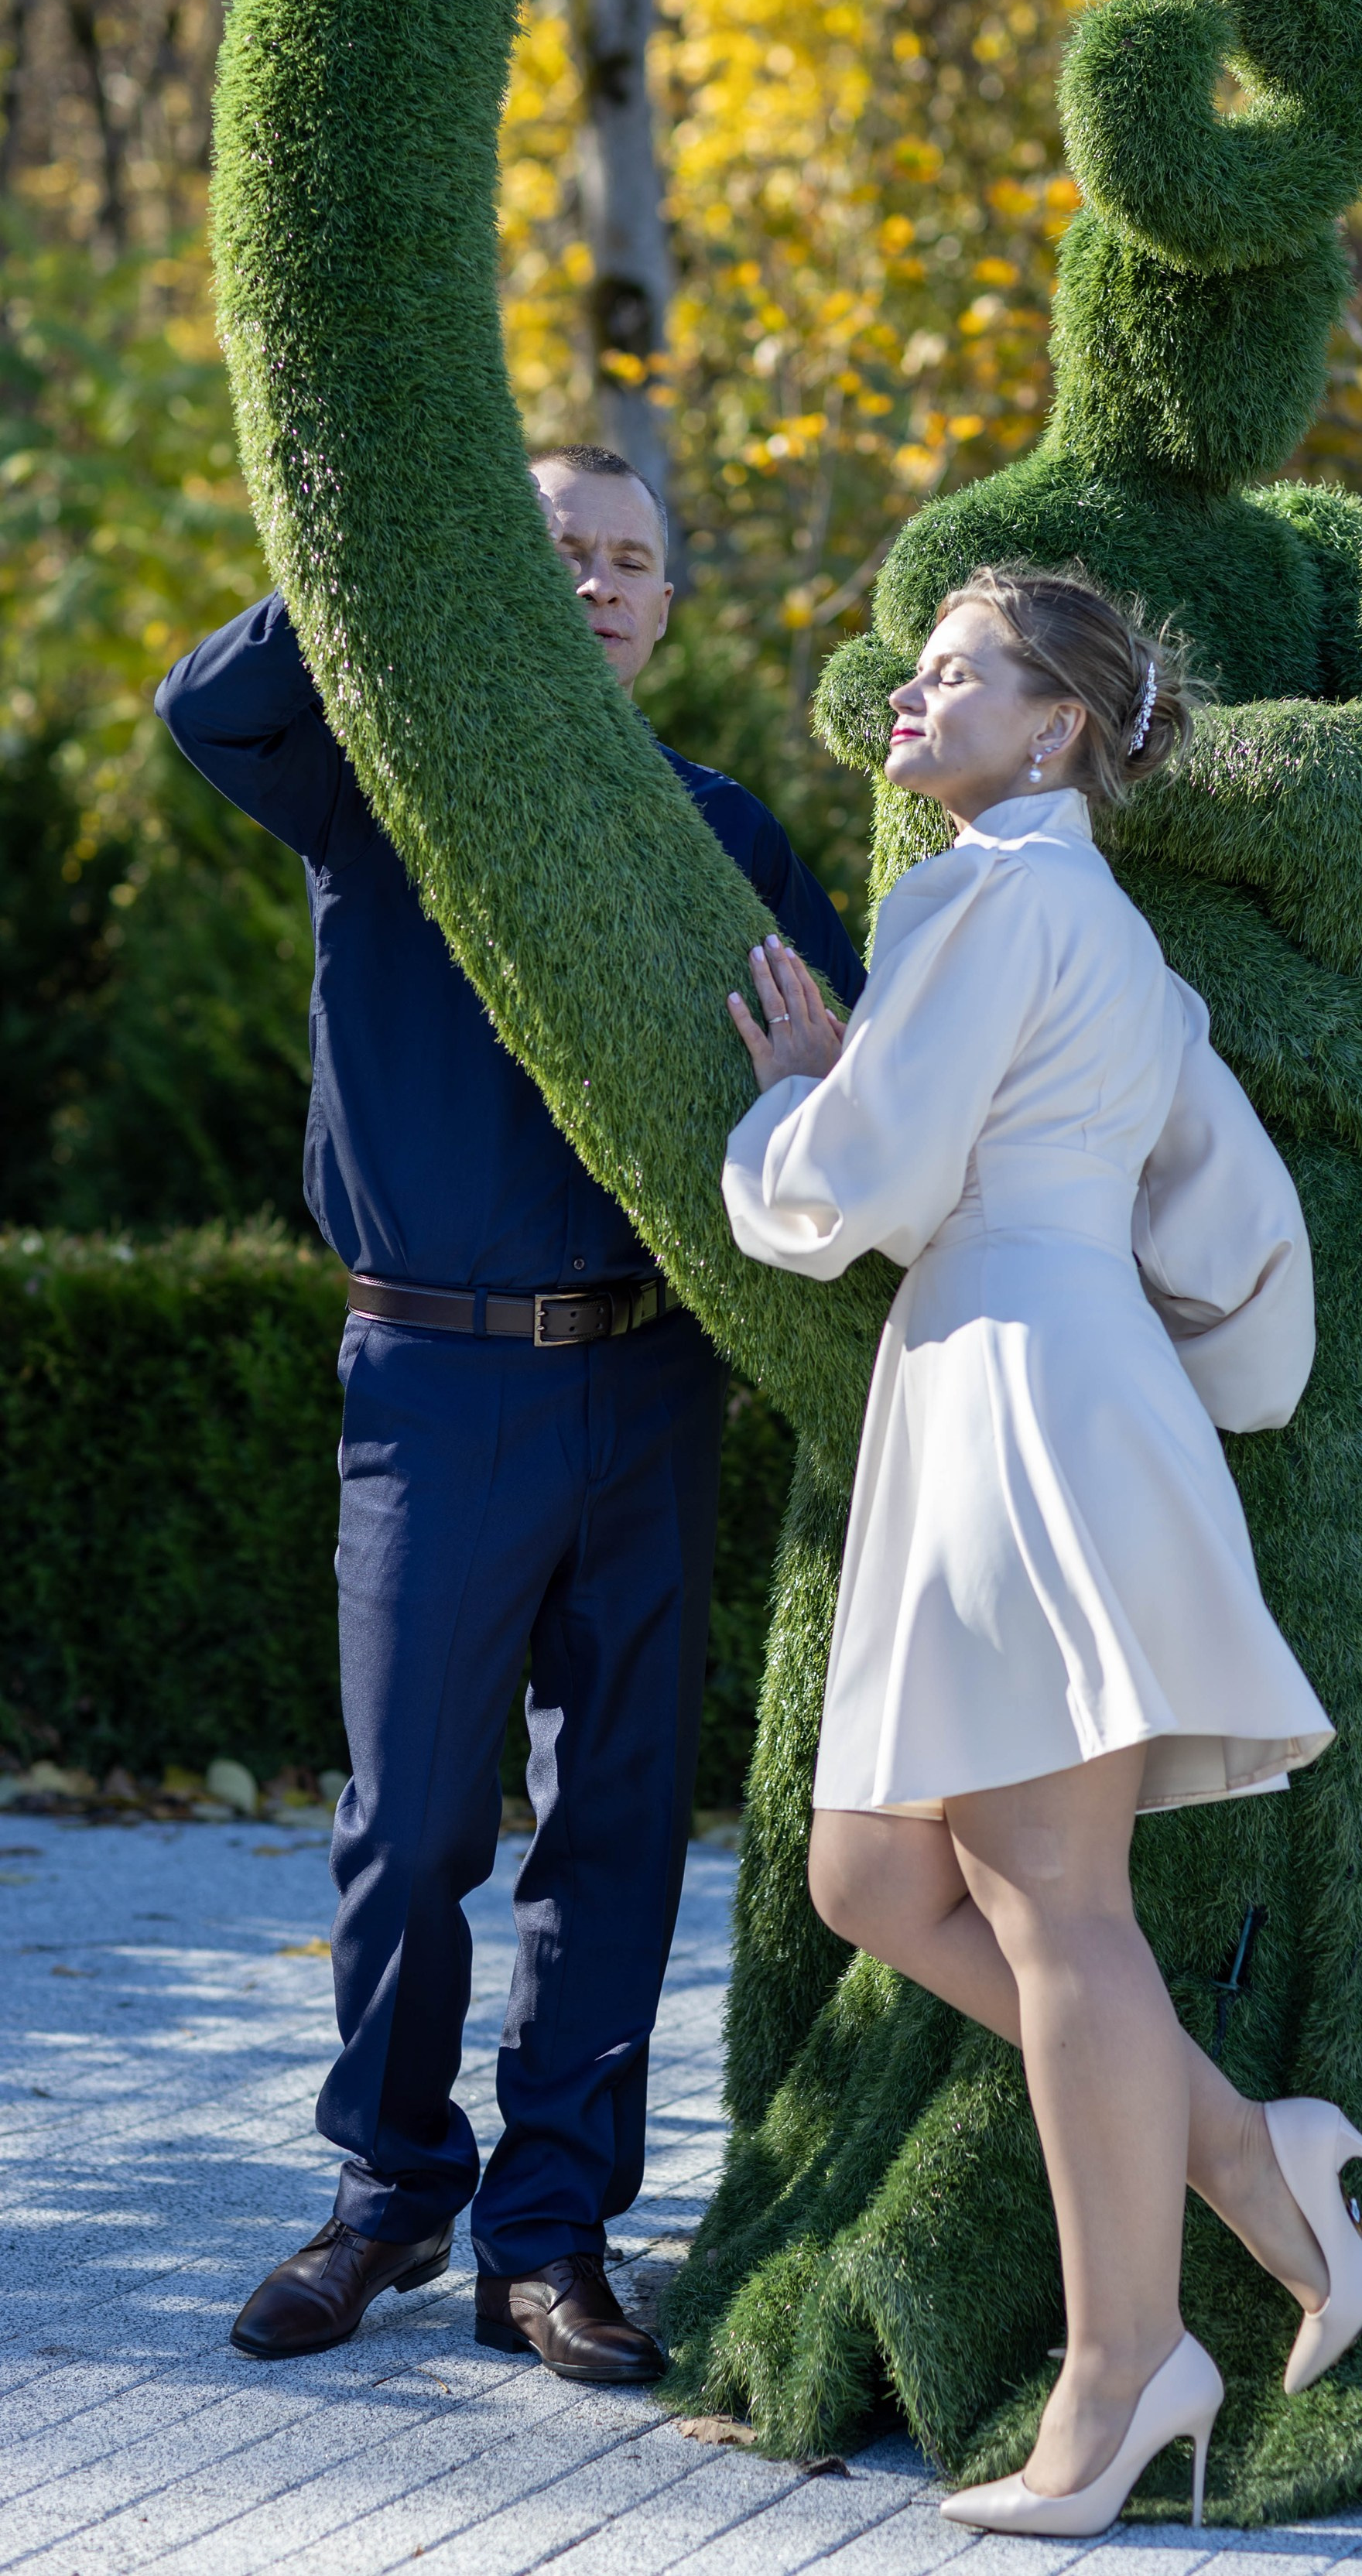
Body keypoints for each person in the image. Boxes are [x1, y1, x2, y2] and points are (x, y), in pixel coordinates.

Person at [720, 566, 1362, 2536]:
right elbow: (1241, 1239)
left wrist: (788, 1114)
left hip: (1020, 1397)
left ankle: (1126, 2372)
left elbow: (862, 1179)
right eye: (916, 666)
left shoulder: (999, 894)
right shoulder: (1102, 931)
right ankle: (1251, 2156)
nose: (911, 693)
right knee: (875, 1873)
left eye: (960, 672)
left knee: (1055, 1902)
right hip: (1033, 1385)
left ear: (1059, 728)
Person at [156, 444, 864, 2378]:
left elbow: (858, 1060)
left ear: (665, 607)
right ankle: (386, 2194)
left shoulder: (711, 829)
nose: (601, 583)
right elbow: (204, 705)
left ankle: (549, 2233)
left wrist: (824, 1073)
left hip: (648, 1378)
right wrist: (396, 549)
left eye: (631, 561)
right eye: (559, 546)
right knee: (410, 1826)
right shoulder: (384, 785)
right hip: (431, 1376)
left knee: (619, 1826)